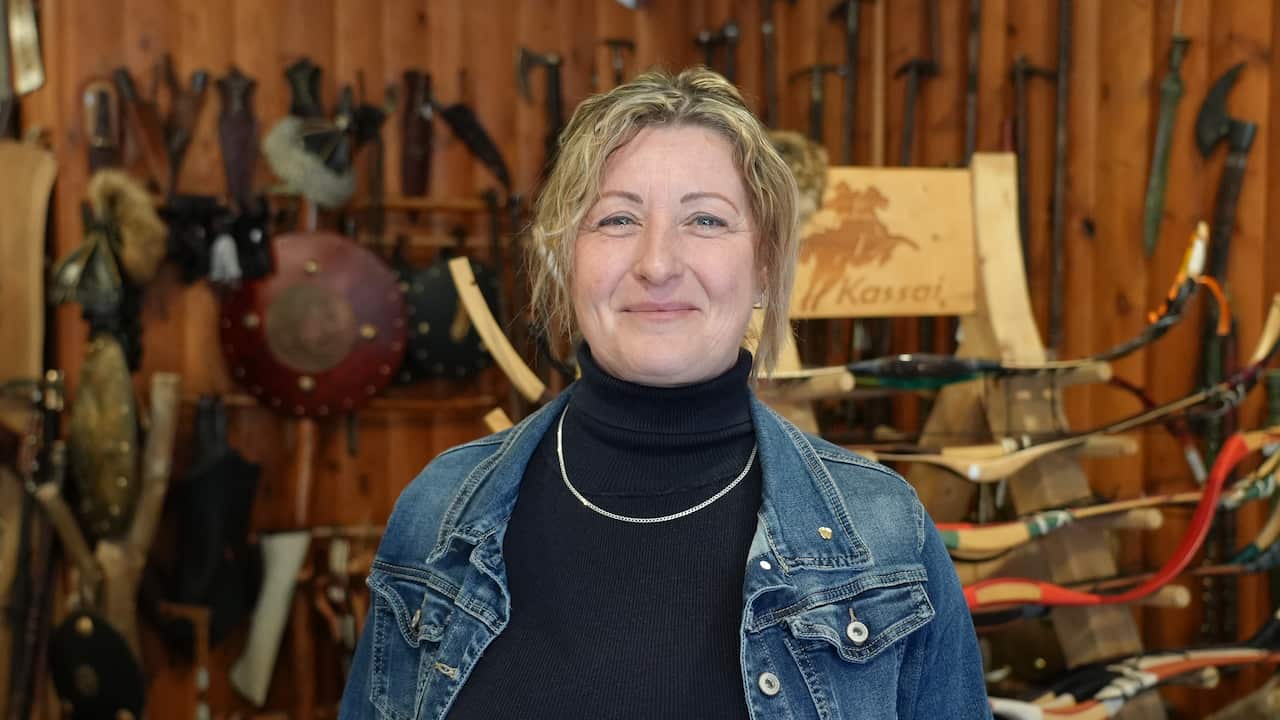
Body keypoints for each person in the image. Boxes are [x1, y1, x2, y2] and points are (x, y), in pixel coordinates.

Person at [340, 67, 990, 720]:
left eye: (705, 220)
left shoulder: (882, 536)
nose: (657, 263)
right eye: (618, 218)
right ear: (567, 258)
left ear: (763, 266)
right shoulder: (439, 515)